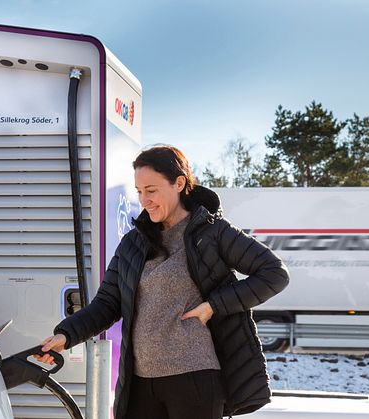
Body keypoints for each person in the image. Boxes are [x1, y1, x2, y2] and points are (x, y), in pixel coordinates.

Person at [37, 145, 289, 418]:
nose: (144, 199)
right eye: (139, 191)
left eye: (152, 190)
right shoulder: (134, 242)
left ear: (179, 183)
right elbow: (108, 303)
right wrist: (66, 334)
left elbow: (274, 273)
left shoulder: (213, 233)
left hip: (194, 377)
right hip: (140, 382)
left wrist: (213, 306)